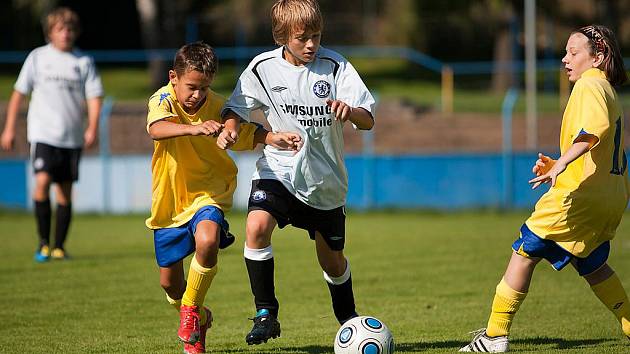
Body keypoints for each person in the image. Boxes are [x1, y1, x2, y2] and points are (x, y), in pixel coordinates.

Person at [460, 24, 629, 352]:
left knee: (524, 250)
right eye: (565, 52)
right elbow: (601, 144)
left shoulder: (589, 86)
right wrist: (558, 163)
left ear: (599, 56)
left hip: (578, 196)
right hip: (611, 195)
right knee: (591, 262)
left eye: (573, 52)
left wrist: (563, 163)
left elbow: (595, 130)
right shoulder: (608, 89)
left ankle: (495, 336)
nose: (565, 59)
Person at [220, 0, 376, 346]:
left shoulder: (335, 66)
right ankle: (265, 314)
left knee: (332, 261)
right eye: (302, 38)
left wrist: (349, 110)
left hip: (325, 183)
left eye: (316, 36)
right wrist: (230, 127)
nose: (311, 45)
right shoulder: (262, 68)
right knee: (256, 227)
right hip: (279, 169)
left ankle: (349, 321)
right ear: (282, 37)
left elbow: (368, 119)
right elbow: (235, 108)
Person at [145, 41, 301, 354]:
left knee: (208, 239)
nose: (197, 95)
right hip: (170, 203)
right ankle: (199, 316)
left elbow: (245, 132)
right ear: (173, 77)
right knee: (169, 286)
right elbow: (156, 129)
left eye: (204, 88)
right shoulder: (163, 99)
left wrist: (273, 137)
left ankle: (190, 312)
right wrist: (194, 129)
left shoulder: (218, 107)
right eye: (191, 87)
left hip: (209, 193)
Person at [0, 7, 103, 262]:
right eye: (60, 29)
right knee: (42, 182)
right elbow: (18, 94)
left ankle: (59, 246)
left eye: (69, 29)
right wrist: (9, 128)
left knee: (65, 192)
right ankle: (43, 242)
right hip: (43, 133)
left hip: (72, 136)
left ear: (75, 33)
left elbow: (94, 97)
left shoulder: (83, 62)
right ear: (50, 32)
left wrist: (92, 126)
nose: (65, 34)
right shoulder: (37, 58)